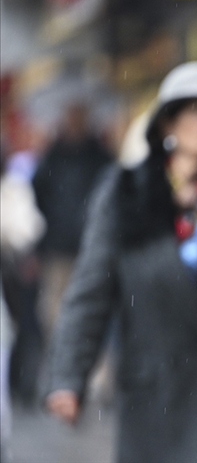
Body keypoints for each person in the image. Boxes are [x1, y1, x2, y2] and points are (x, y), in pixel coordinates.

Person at [43, 61, 197, 463]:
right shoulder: (127, 194)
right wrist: (68, 377)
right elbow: (90, 291)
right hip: (154, 397)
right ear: (168, 124)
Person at [31, 102, 113, 336]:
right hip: (58, 249)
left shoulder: (99, 156)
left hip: (92, 249)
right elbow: (39, 193)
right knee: (55, 316)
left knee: (92, 316)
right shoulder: (52, 155)